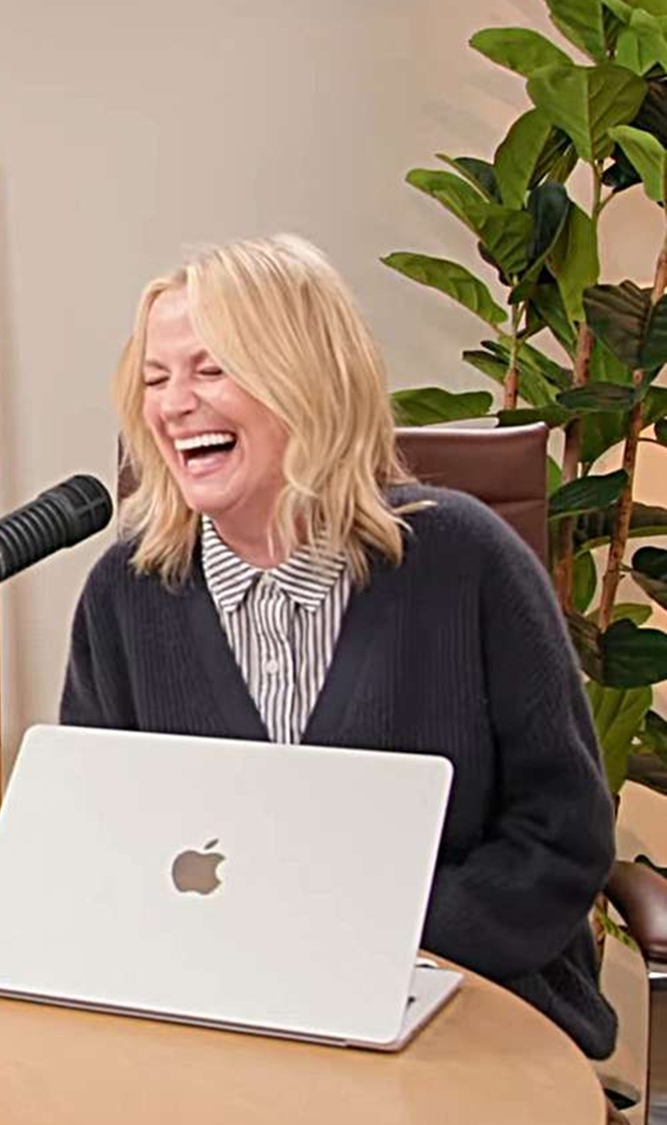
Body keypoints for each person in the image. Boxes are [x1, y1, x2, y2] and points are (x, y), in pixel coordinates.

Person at [61, 234, 617, 1058]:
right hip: (218, 1015)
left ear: (307, 378)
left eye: (210, 370)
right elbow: (97, 836)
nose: (175, 403)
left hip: (463, 1003)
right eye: (155, 378)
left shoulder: (468, 560)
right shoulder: (127, 590)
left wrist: (379, 956)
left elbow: (562, 833)